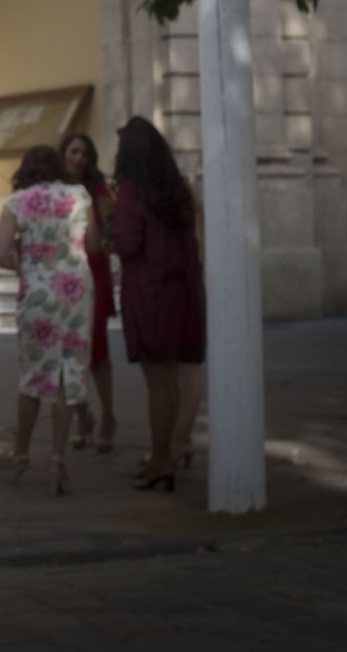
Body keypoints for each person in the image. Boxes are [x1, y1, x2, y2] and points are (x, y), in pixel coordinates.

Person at [0, 145, 100, 495]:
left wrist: (25, 264)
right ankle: (57, 459)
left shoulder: (17, 202)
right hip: (76, 292)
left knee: (33, 376)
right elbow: (94, 245)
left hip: (37, 294)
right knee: (68, 374)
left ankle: (22, 452)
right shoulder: (80, 195)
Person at [112, 116, 206, 493]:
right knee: (172, 379)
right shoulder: (178, 190)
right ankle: (166, 453)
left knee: (158, 384)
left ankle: (161, 459)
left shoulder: (131, 191)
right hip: (182, 291)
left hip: (149, 291)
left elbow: (127, 243)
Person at [61, 131, 117, 453]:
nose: (78, 157)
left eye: (83, 152)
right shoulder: (55, 188)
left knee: (97, 349)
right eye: (73, 151)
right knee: (70, 350)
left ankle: (108, 415)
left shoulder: (98, 190)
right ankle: (83, 418)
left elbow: (108, 232)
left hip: (93, 270)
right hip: (64, 272)